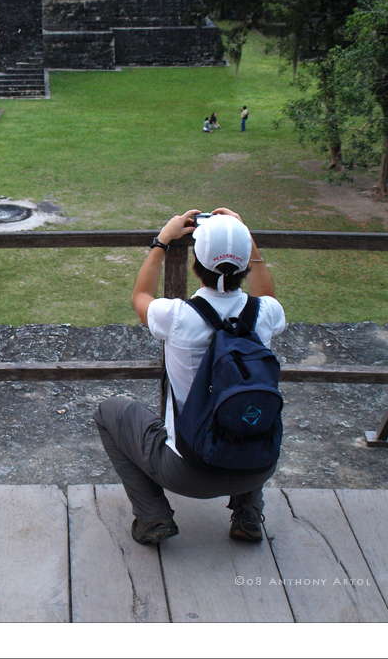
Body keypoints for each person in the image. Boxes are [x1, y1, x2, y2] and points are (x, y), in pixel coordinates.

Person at [93, 208, 286, 545]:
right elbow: (267, 294)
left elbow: (140, 297)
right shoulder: (265, 313)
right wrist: (244, 239)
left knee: (109, 413)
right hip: (259, 465)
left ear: (196, 264)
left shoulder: (177, 316)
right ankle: (249, 513)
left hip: (189, 474)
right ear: (244, 265)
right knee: (248, 410)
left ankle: (153, 517)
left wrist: (162, 241)